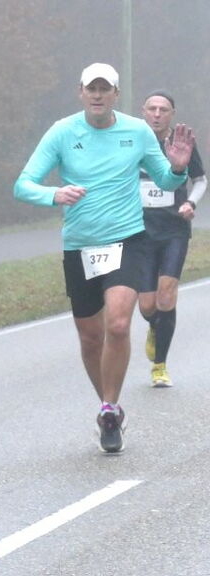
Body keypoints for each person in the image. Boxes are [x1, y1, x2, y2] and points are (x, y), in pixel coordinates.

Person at [14, 64, 193, 453]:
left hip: (127, 240)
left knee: (118, 323)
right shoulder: (62, 132)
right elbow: (23, 184)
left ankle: (109, 410)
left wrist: (178, 168)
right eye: (91, 88)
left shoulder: (136, 131)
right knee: (91, 336)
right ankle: (109, 407)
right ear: (80, 92)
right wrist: (53, 195)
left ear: (116, 94)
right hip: (80, 245)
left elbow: (166, 180)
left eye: (104, 89)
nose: (97, 95)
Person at [136, 90, 205, 388]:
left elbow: (200, 179)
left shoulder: (181, 141)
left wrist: (190, 202)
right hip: (139, 231)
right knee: (147, 305)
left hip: (174, 230)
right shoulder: (132, 141)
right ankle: (155, 326)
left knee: (166, 294)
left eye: (163, 109)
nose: (157, 114)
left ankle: (160, 366)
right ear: (143, 111)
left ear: (172, 114)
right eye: (152, 108)